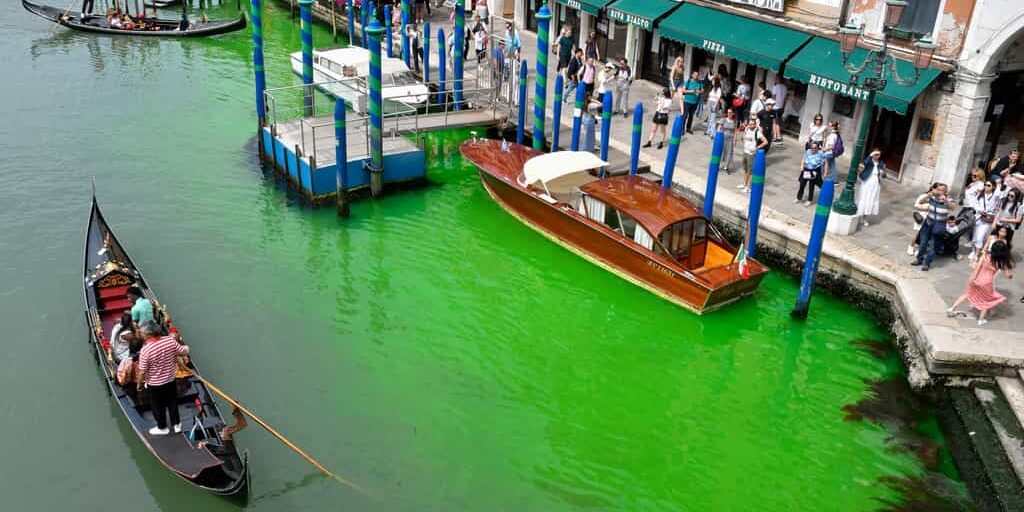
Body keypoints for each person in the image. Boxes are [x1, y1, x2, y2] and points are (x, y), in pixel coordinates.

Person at [138, 320, 190, 435]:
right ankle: (176, 424)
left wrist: (139, 384)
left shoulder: (145, 350)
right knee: (172, 402)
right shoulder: (169, 341)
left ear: (148, 334)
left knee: (157, 405)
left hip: (154, 384)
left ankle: (162, 427)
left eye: (142, 333)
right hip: (170, 380)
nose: (141, 335)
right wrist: (187, 348)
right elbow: (183, 351)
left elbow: (142, 371)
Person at [947, 240, 1014, 326]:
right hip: (987, 283)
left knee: (967, 294)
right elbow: (1008, 275)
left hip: (976, 278)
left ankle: (951, 308)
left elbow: (977, 267)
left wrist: (973, 279)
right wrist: (1010, 275)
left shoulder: (985, 256)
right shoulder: (1001, 262)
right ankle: (980, 320)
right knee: (986, 301)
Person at [912, 182, 957, 271]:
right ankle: (919, 259)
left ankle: (926, 263)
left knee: (932, 246)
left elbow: (953, 207)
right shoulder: (932, 197)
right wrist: (929, 194)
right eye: (938, 189)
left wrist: (946, 201)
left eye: (942, 190)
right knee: (923, 243)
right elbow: (920, 202)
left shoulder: (949, 199)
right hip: (928, 223)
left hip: (939, 226)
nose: (940, 191)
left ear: (945, 191)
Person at [970, 180, 999, 262]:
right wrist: (980, 210)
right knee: (975, 236)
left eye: (988, 185)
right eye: (985, 185)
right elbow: (974, 203)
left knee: (981, 237)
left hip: (988, 219)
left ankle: (976, 254)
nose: (986, 186)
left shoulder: (995, 196)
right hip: (978, 217)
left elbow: (997, 208)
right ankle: (973, 251)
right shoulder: (980, 194)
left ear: (993, 187)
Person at [857, 149, 885, 225]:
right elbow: (865, 162)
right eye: (876, 154)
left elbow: (884, 175)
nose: (877, 156)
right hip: (867, 181)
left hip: (876, 183)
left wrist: (882, 173)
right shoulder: (869, 161)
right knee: (864, 197)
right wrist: (871, 155)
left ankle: (865, 218)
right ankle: (859, 215)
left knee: (871, 199)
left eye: (879, 154)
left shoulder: (881, 163)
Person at [740, 119, 768, 192]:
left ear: (755, 125)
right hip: (745, 152)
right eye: (750, 124)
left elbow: (765, 142)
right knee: (746, 170)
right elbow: (744, 137)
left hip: (751, 154)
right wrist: (743, 139)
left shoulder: (757, 132)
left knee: (750, 172)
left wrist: (757, 148)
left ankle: (748, 187)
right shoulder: (747, 129)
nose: (751, 125)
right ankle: (744, 184)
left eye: (753, 124)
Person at [720, 109, 738, 175]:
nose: (729, 114)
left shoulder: (734, 121)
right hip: (723, 137)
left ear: (733, 113)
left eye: (730, 112)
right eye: (728, 112)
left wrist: (735, 139)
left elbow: (735, 131)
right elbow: (719, 127)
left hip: (730, 138)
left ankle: (726, 166)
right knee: (721, 151)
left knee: (729, 152)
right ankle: (719, 164)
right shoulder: (724, 119)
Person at [770, 79, 787, 143]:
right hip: (781, 107)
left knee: (775, 122)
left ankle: (776, 136)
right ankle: (776, 136)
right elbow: (785, 98)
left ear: (777, 79)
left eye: (776, 78)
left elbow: (774, 96)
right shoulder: (785, 87)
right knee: (777, 122)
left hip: (775, 106)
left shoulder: (776, 87)